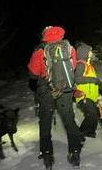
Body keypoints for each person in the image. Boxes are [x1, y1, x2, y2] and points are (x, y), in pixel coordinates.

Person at [27, 26, 82, 169]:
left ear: (44, 35)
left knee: (45, 121)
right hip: (66, 90)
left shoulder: (40, 50)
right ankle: (75, 153)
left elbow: (33, 73)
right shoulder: (69, 48)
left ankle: (47, 155)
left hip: (46, 90)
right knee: (69, 120)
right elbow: (73, 66)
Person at [73, 42, 102, 139]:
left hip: (91, 96)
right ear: (84, 53)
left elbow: (93, 79)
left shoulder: (89, 65)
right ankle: (79, 134)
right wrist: (94, 80)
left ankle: (90, 132)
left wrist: (99, 84)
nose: (91, 53)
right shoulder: (81, 65)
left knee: (93, 113)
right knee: (92, 114)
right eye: (89, 51)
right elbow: (77, 79)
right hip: (83, 95)